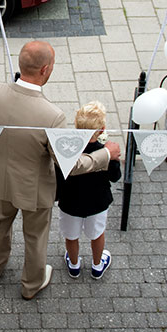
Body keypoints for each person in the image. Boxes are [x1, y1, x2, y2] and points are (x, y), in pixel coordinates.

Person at [0, 41, 120, 300]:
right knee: (35, 237)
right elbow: (71, 164)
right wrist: (105, 154)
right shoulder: (51, 115)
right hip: (34, 191)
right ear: (45, 70)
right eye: (52, 65)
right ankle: (31, 285)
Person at [55, 102, 120, 280]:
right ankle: (97, 266)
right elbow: (115, 177)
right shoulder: (107, 152)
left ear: (76, 126)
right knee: (97, 234)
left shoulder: (67, 151)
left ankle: (74, 265)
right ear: (102, 129)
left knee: (71, 235)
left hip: (70, 203)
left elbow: (58, 178)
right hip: (97, 203)